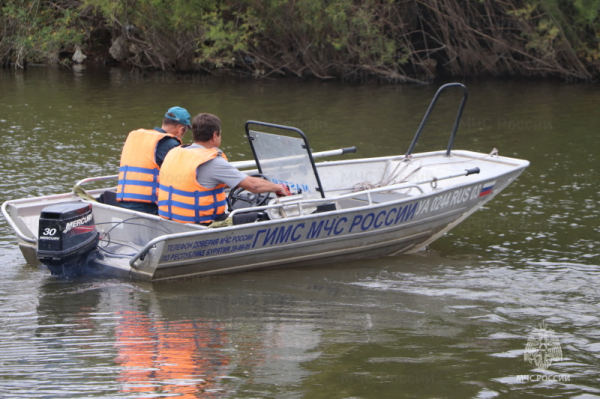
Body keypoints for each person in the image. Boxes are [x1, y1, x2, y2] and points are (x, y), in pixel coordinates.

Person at [157, 113, 289, 225]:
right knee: (263, 215)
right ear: (215, 135)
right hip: (203, 225)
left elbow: (194, 182)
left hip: (172, 221)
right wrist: (278, 188)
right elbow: (253, 186)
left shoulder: (176, 153)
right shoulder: (212, 161)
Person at [116, 106, 191, 215]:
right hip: (148, 206)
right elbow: (185, 175)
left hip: (123, 201)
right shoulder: (169, 144)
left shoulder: (137, 136)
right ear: (181, 129)